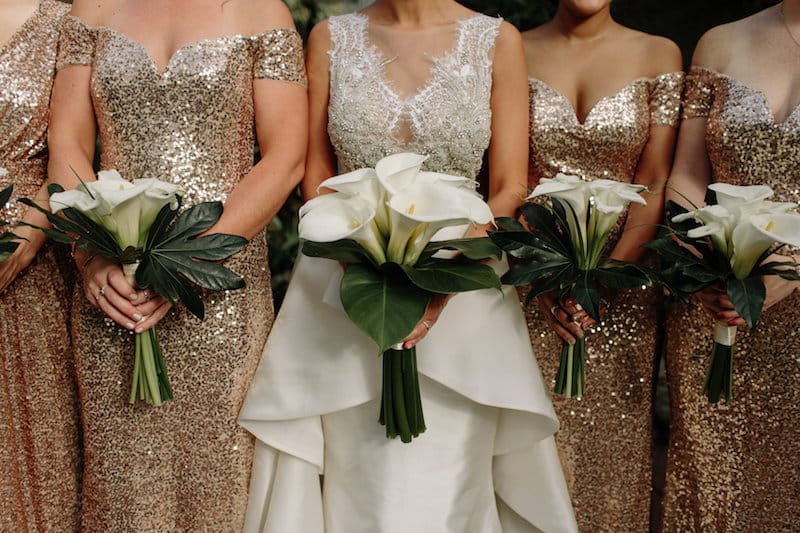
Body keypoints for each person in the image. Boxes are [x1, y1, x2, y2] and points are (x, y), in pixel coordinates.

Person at [238, 0, 577, 531]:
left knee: (451, 482)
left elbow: (510, 184)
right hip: (344, 288)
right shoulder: (330, 36)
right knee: (358, 483)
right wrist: (361, 264)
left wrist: (444, 279)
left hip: (466, 292)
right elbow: (317, 173)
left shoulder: (497, 39)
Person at [47, 0, 307, 529]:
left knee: (218, 477)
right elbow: (67, 144)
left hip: (219, 296)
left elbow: (284, 159)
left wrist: (187, 264)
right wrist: (90, 254)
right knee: (120, 485)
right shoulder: (90, 9)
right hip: (112, 289)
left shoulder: (263, 11)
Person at [521, 1, 682, 530]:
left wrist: (605, 284)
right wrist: (545, 282)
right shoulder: (512, 48)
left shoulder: (660, 54)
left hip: (626, 294)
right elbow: (510, 181)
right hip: (531, 289)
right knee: (529, 451)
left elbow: (657, 178)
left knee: (611, 462)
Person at [662, 1, 800, 530]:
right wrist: (702, 266)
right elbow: (688, 175)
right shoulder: (720, 41)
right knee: (710, 484)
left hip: (788, 302)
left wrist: (780, 275)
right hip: (714, 302)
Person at [0, 0, 81, 529]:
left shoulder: (73, 14)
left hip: (33, 274)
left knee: (39, 459)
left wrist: (36, 215)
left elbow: (83, 142)